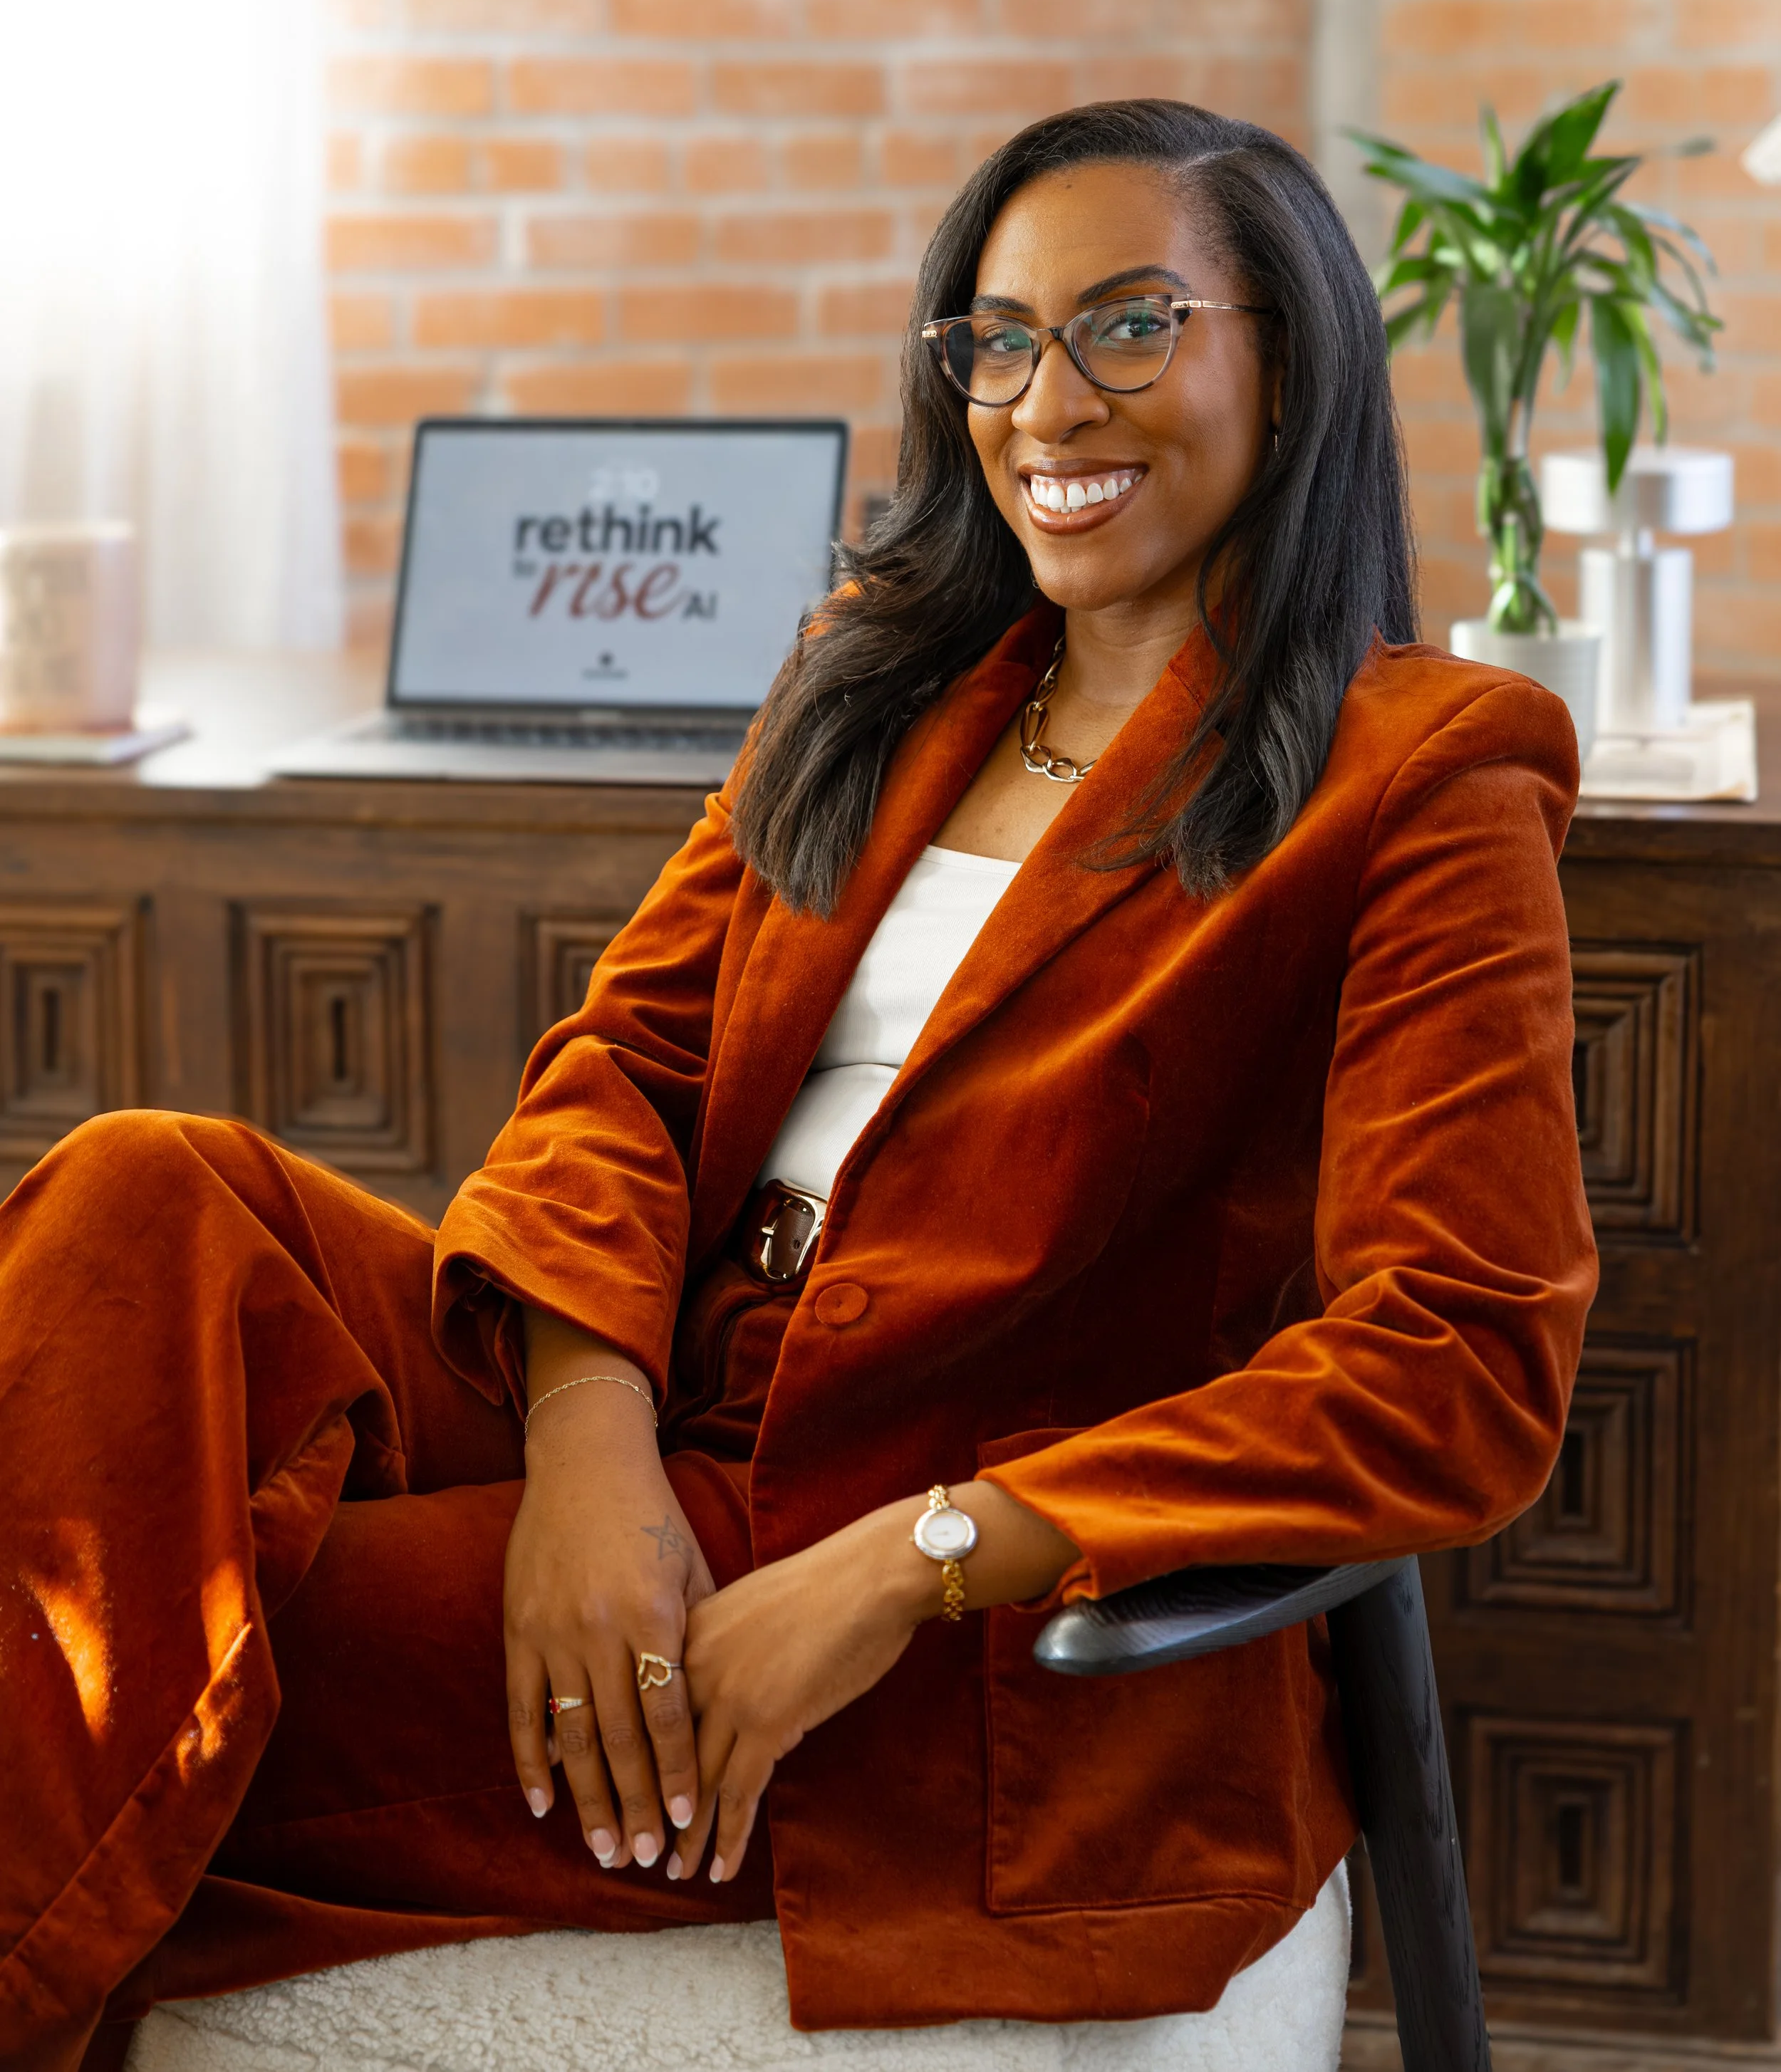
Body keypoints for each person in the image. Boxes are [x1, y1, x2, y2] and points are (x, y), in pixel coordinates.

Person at [0, 100, 1596, 2072]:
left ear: (1288, 356)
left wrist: (912, 1554)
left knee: (138, 1639)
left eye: (1124, 324)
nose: (1044, 401)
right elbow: (628, 1060)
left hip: (936, 1572)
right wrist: (588, 1452)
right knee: (145, 1184)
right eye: (993, 340)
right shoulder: (885, 672)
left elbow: (1459, 1361)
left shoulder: (1423, 777)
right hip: (651, 1404)